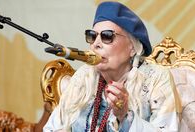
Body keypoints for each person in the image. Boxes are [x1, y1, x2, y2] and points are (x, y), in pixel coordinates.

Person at [44, 1, 180, 132]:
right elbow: (53, 126)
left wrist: (125, 116)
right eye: (92, 36)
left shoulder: (155, 78)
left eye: (107, 36)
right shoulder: (84, 75)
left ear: (132, 47)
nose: (96, 44)